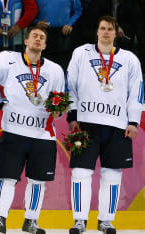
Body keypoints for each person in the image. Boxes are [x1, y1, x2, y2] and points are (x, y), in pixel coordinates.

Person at [0, 26, 65, 234]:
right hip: (14, 131)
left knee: (38, 181)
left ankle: (31, 221)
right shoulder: (7, 59)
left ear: (45, 45)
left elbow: (61, 100)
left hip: (43, 135)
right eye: (34, 36)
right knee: (6, 178)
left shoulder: (55, 70)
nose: (38, 39)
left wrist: (59, 110)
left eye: (42, 37)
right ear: (25, 41)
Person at [66, 15, 144, 234]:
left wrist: (133, 121)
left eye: (110, 29)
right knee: (80, 172)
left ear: (116, 33)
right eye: (103, 28)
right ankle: (79, 220)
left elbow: (136, 92)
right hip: (86, 124)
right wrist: (72, 116)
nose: (106, 32)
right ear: (97, 32)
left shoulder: (129, 59)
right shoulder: (81, 53)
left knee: (112, 174)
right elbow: (70, 85)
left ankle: (106, 220)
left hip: (117, 125)